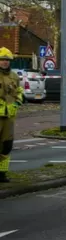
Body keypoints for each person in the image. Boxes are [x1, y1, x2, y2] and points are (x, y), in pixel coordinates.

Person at [0, 48, 23, 182]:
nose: (4, 63)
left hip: (9, 117)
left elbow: (19, 91)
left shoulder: (14, 76)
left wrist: (17, 102)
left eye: (7, 60)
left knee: (7, 145)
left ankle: (2, 174)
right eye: (2, 60)